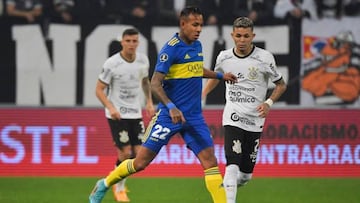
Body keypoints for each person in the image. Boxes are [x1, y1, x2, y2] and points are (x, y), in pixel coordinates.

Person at [89, 6, 237, 203]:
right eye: (195, 25)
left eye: (200, 25)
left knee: (211, 162)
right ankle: (105, 184)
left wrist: (220, 75)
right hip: (169, 116)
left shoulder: (196, 45)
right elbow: (155, 83)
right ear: (183, 24)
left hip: (193, 116)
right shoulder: (171, 49)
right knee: (140, 163)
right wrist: (170, 107)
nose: (199, 29)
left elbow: (195, 69)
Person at [202, 17, 287, 203]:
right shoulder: (224, 56)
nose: (242, 40)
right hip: (233, 116)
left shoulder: (264, 58)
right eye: (238, 36)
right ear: (232, 35)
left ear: (252, 36)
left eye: (246, 36)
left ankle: (228, 187)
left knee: (245, 175)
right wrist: (203, 94)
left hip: (255, 120)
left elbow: (281, 85)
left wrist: (268, 103)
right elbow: (217, 77)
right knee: (232, 165)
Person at [95, 28, 155, 202]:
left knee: (138, 155)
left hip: (135, 113)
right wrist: (111, 107)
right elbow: (99, 90)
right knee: (125, 153)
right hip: (117, 114)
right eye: (128, 41)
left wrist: (149, 101)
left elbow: (145, 82)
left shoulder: (143, 60)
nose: (131, 44)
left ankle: (115, 182)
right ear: (122, 42)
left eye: (134, 41)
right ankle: (118, 187)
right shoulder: (112, 64)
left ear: (138, 42)